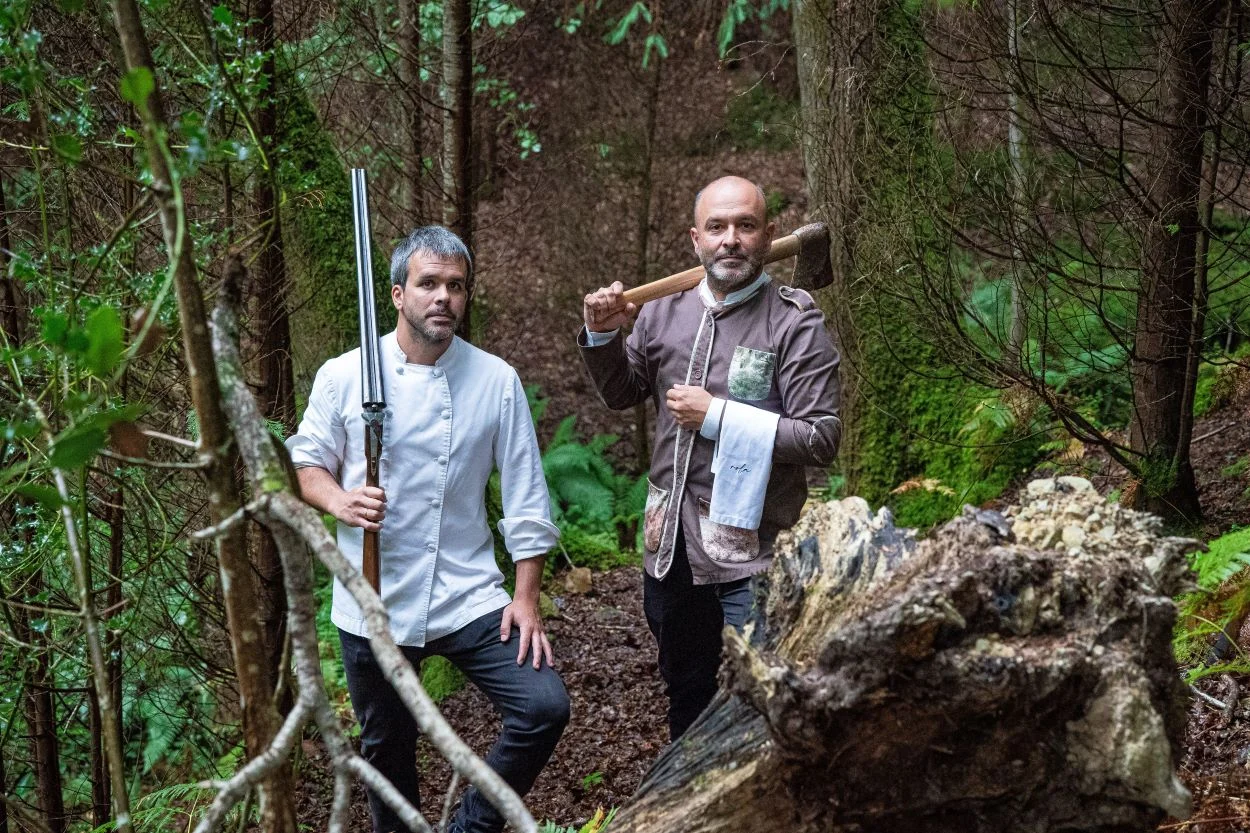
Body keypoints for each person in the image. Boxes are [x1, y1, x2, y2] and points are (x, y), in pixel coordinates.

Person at [288, 226, 569, 833]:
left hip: (469, 592)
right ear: (397, 294)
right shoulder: (344, 375)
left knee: (543, 707)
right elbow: (305, 463)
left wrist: (526, 597)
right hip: (373, 597)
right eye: (429, 284)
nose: (443, 297)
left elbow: (526, 496)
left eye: (456, 286)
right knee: (388, 758)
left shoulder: (497, 380)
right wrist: (341, 502)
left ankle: (468, 828)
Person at [579, 176, 841, 740]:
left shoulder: (793, 320)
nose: (730, 240)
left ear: (769, 236)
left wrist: (718, 417)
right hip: (669, 549)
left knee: (759, 699)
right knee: (687, 691)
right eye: (717, 227)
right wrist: (600, 337)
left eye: (745, 226)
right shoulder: (659, 311)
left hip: (755, 554)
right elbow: (623, 393)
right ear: (694, 238)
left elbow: (821, 437)